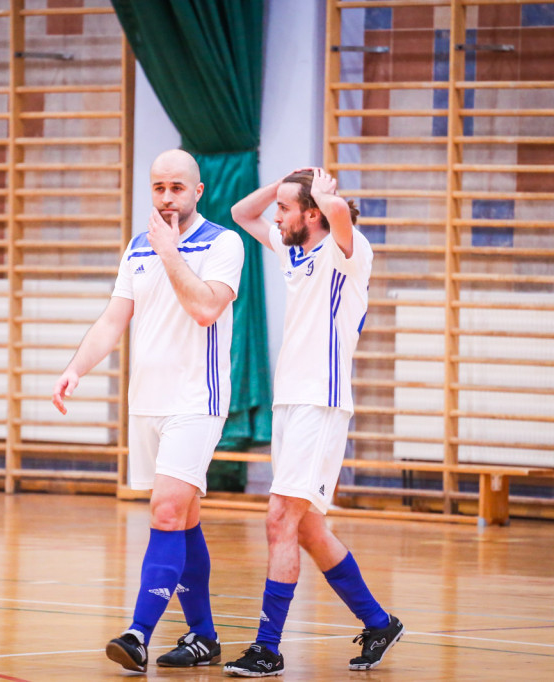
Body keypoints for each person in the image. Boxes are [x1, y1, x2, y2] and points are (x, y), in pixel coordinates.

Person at [52, 149, 244, 673]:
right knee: (182, 519)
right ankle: (204, 636)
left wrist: (172, 253)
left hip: (196, 402)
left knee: (163, 511)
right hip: (148, 405)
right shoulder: (138, 248)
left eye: (177, 188)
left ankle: (137, 634)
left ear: (197, 192)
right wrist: (76, 368)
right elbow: (113, 322)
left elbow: (206, 309)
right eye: (158, 188)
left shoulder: (224, 243)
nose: (166, 198)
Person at [223, 168, 403, 676]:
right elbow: (242, 214)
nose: (276, 216)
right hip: (290, 405)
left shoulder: (350, 253)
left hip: (320, 405)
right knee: (307, 529)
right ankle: (377, 621)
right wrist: (284, 182)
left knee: (279, 519)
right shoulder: (293, 253)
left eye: (286, 208)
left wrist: (326, 197)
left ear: (313, 214)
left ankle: (267, 649)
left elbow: (341, 219)